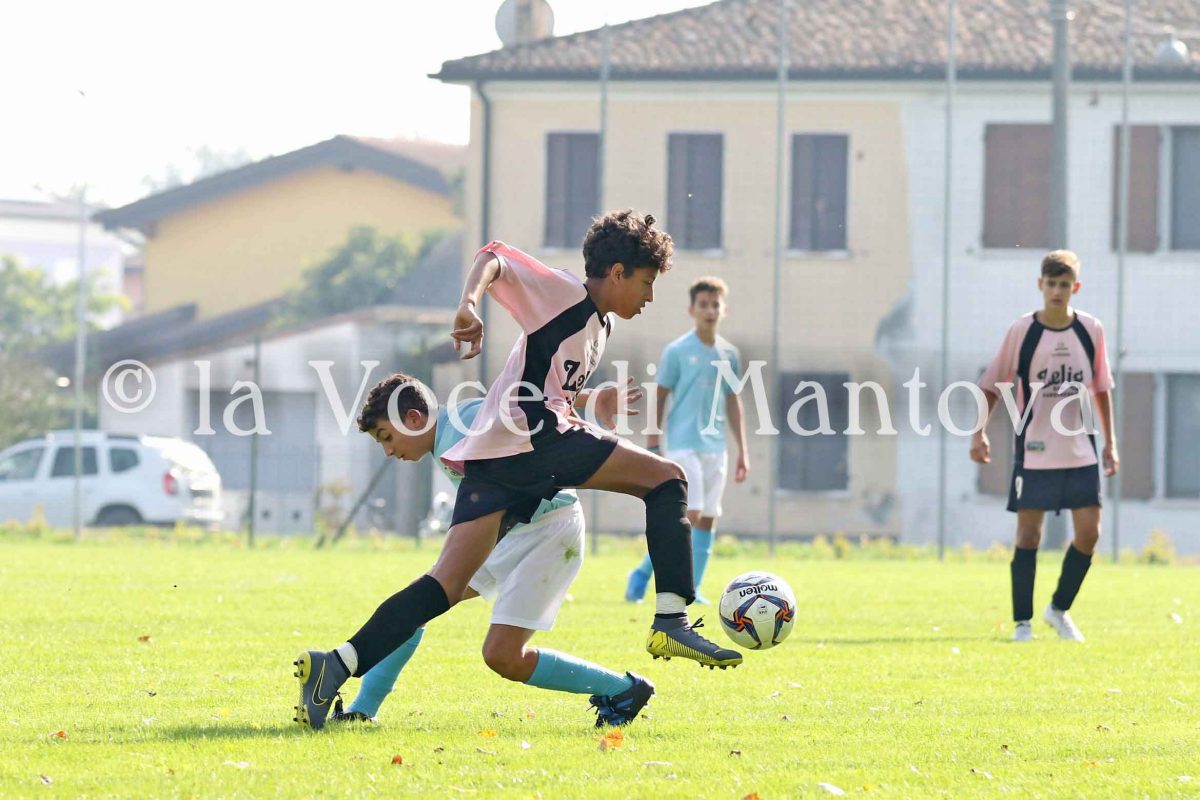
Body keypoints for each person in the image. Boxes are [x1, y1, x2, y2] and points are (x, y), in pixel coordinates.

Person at [293, 210, 741, 731]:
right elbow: (495, 256)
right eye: (646, 283)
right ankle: (670, 619)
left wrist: (591, 400)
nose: (650, 296)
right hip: (535, 444)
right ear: (617, 273)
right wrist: (468, 303)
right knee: (667, 479)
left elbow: (542, 386)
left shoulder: (600, 325)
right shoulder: (566, 294)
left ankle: (335, 665)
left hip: (506, 468)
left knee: (443, 587)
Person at [325, 377, 653, 729]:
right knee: (418, 604)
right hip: (507, 532)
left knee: (503, 656)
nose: (388, 451)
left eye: (387, 437)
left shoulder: (468, 421)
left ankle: (623, 690)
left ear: (414, 419)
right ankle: (363, 710)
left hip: (550, 531)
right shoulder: (449, 434)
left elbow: (530, 399)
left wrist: (592, 398)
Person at [971, 250, 1119, 643]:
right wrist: (978, 432)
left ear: (1076, 288)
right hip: (1035, 450)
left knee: (1089, 535)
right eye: (1051, 283)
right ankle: (1022, 623)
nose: (1057, 291)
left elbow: (1101, 387)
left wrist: (1111, 442)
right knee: (1028, 537)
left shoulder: (1091, 330)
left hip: (1081, 450)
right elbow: (992, 384)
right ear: (1040, 284)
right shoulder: (1023, 331)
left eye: (1064, 285)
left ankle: (1058, 610)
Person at [625, 277, 748, 604]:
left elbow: (733, 400)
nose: (710, 310)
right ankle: (643, 573)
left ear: (724, 310)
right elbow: (660, 394)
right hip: (683, 444)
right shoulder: (677, 351)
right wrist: (653, 439)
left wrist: (742, 451)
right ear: (691, 310)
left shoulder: (729, 354)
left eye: (715, 305)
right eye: (703, 305)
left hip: (715, 447)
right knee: (689, 514)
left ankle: (694, 588)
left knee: (708, 517)